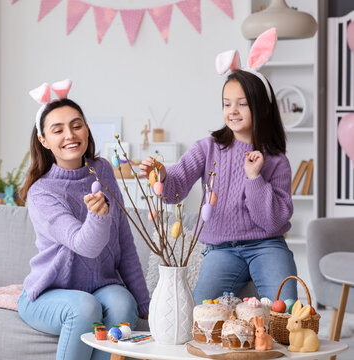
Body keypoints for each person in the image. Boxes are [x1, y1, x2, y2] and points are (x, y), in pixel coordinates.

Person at [139, 28, 297, 304]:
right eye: (227, 104)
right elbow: (175, 190)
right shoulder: (208, 147)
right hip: (220, 249)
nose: (232, 111)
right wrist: (162, 175)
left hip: (268, 245)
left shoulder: (276, 160)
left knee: (288, 310)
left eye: (242, 104)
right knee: (202, 314)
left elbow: (273, 222)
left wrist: (253, 178)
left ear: (263, 108)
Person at [18, 80, 150, 360]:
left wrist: (144, 301)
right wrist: (97, 216)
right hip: (48, 294)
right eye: (58, 130)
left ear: (87, 129)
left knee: (123, 303)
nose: (70, 135)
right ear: (44, 140)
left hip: (101, 285)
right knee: (84, 308)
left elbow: (123, 240)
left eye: (76, 125)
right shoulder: (42, 192)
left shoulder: (101, 169)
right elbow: (84, 244)